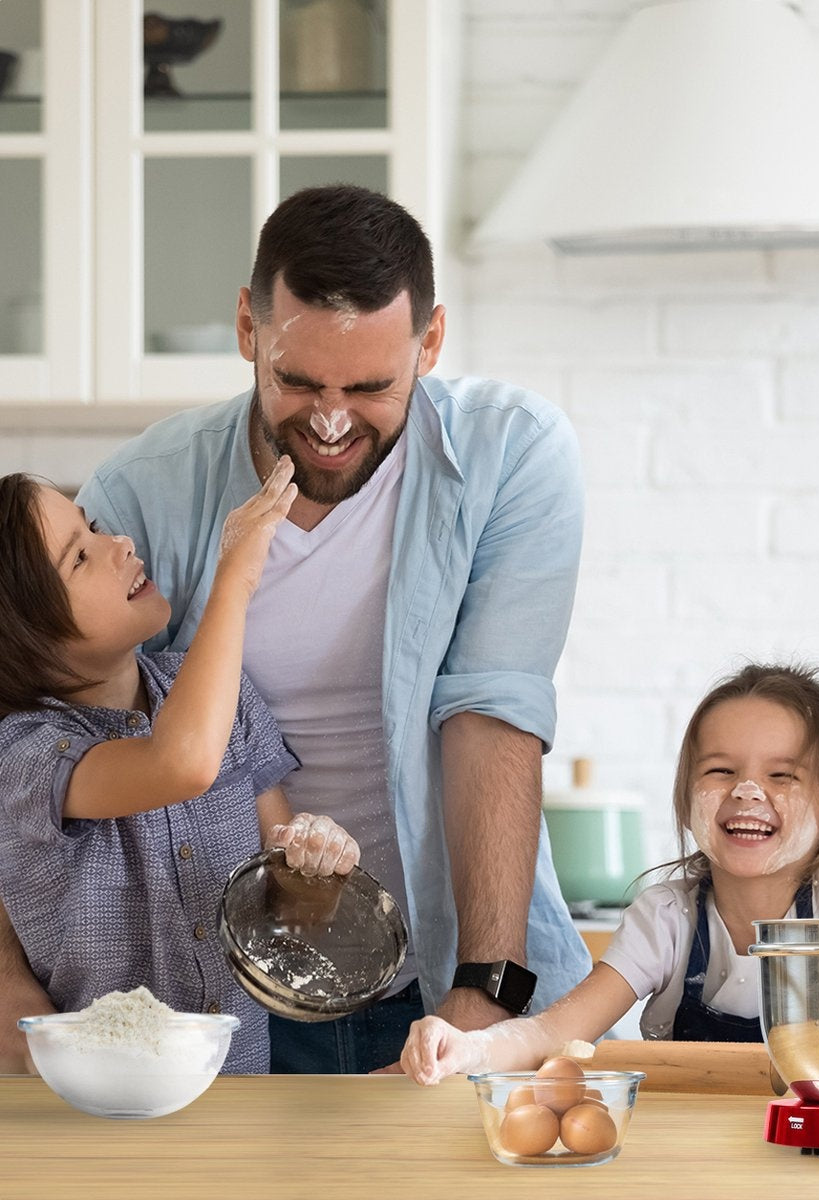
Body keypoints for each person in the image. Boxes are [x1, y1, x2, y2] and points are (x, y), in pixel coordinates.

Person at [0, 184, 592, 1075]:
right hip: (220, 1011)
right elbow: (57, 746)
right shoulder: (144, 492)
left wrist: (482, 986)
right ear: (249, 328)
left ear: (430, 342)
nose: (328, 421)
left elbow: (491, 717)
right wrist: (13, 992)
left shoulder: (512, 454)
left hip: (449, 975)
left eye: (371, 386)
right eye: (298, 380)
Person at [0, 458, 362, 1074]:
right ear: (23, 631)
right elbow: (181, 764)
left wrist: (315, 867)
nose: (117, 543)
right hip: (100, 1119)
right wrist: (238, 577)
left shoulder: (226, 698)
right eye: (79, 558)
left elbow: (285, 918)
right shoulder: (24, 755)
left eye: (92, 528)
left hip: (240, 1108)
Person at [396, 663, 819, 1083]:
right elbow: (555, 1033)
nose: (747, 791)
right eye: (721, 771)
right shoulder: (666, 918)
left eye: (782, 775)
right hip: (684, 1152)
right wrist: (467, 1048)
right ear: (684, 801)